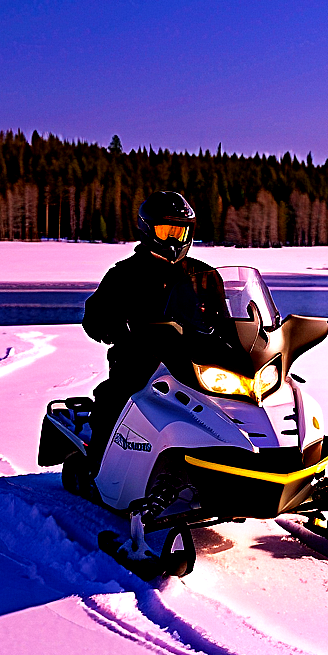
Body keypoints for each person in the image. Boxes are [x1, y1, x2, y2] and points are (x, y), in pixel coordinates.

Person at [82, 191, 212, 470]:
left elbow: (226, 318)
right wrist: (120, 328)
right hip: (139, 361)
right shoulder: (124, 275)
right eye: (168, 231)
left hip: (196, 363)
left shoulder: (204, 276)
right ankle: (100, 465)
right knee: (115, 401)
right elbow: (93, 318)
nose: (175, 240)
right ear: (148, 230)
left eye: (181, 231)